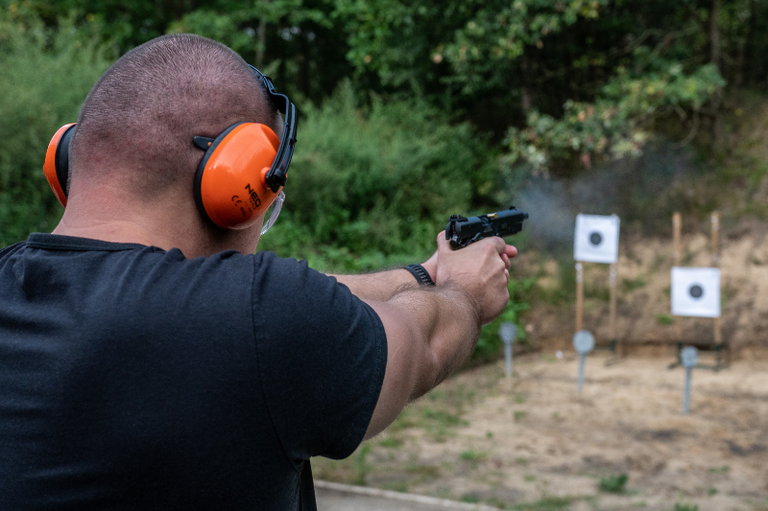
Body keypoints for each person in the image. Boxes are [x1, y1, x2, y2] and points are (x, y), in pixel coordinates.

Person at [0, 34, 517, 510]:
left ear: (69, 158)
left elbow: (285, 304)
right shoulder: (259, 319)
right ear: (235, 178)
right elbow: (423, 346)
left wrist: (424, 274)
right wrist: (464, 290)